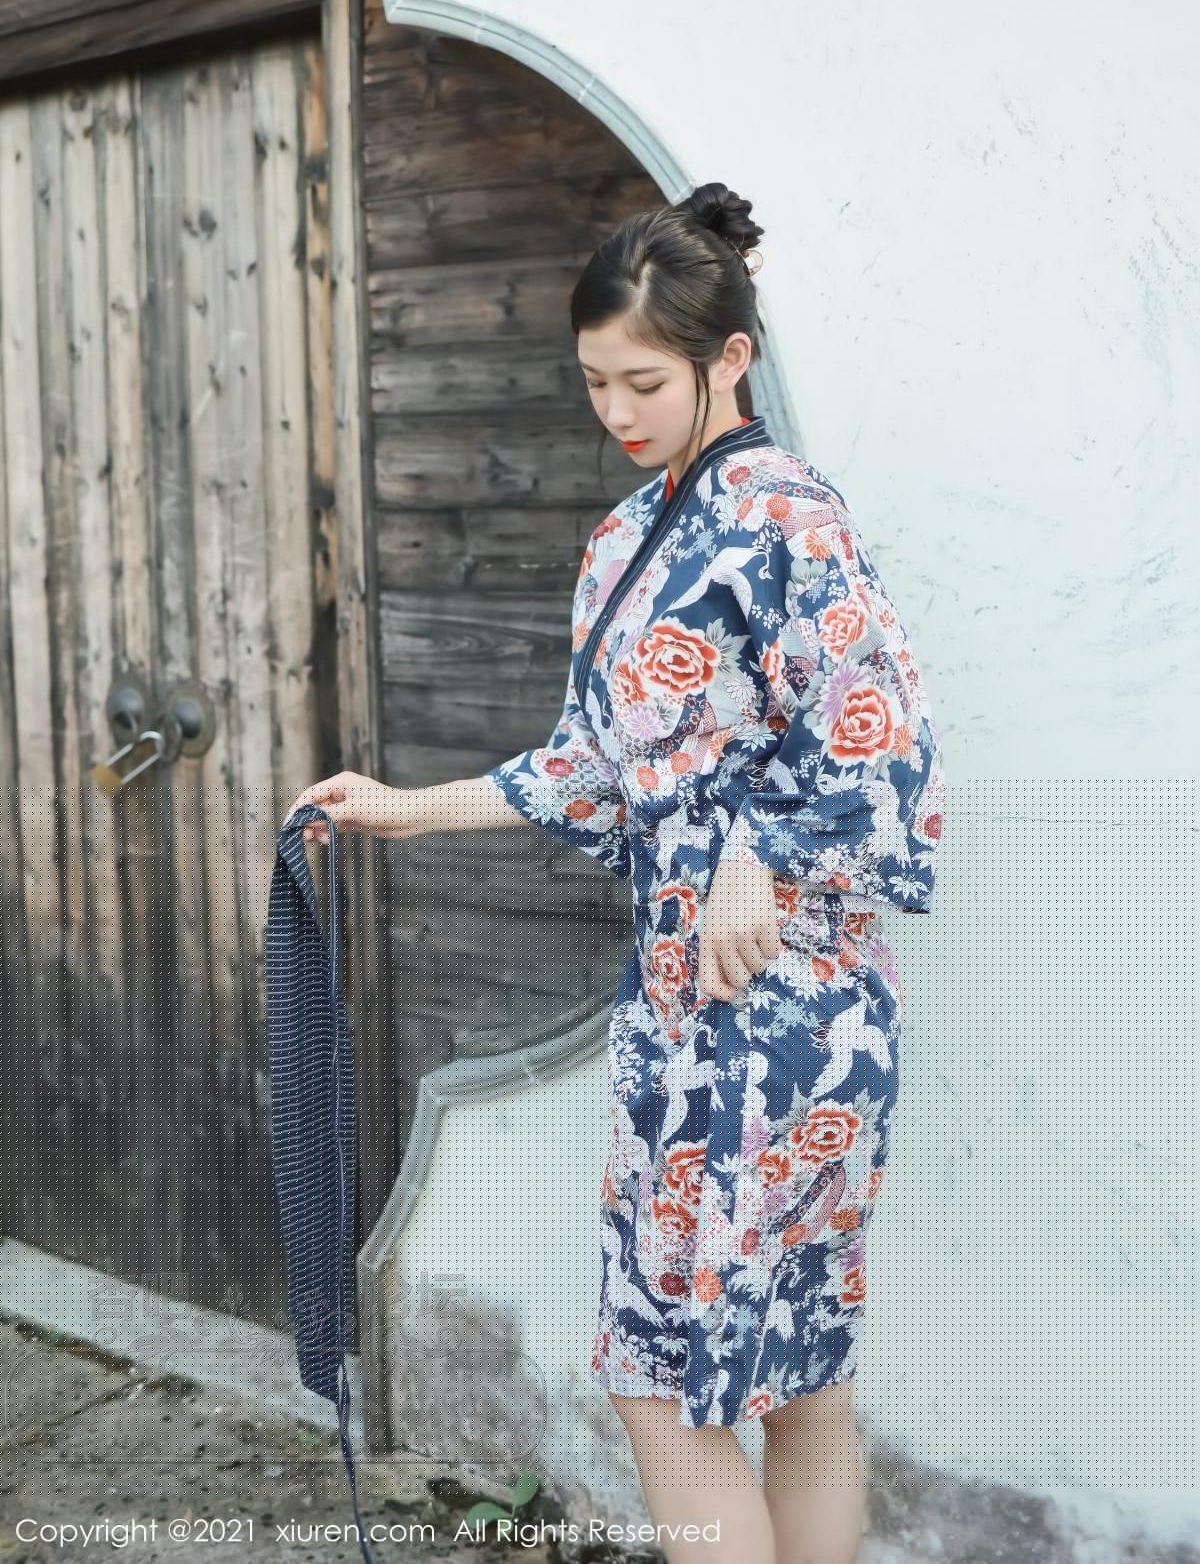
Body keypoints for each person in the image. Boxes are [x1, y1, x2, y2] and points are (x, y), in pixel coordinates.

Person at [285, 182, 945, 1564]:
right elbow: (594, 767)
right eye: (595, 382)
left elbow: (883, 746)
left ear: (729, 359)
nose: (617, 411)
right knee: (788, 1380)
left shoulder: (791, 518)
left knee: (690, 1382)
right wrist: (408, 809)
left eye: (644, 381)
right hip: (685, 1015)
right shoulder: (623, 543)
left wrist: (759, 853)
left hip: (786, 1021)